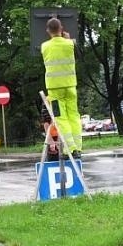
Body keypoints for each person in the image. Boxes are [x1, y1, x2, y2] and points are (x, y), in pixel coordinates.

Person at [41, 18, 82, 159]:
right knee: (74, 116)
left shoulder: (44, 46)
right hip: (71, 86)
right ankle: (78, 148)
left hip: (54, 89)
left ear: (48, 31)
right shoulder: (70, 44)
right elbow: (76, 54)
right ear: (62, 28)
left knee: (60, 119)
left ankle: (69, 150)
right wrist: (68, 39)